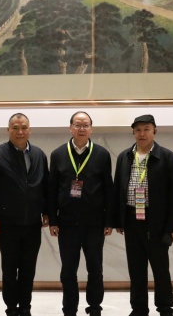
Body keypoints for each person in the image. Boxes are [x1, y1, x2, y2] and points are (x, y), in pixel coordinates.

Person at [0, 113, 50, 316]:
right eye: (15, 128)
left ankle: (25, 307)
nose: (20, 132)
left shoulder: (39, 155)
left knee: (28, 268)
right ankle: (11, 307)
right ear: (8, 130)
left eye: (24, 127)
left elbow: (46, 186)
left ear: (30, 130)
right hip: (7, 223)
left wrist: (47, 212)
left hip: (33, 223)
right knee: (9, 268)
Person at [48, 111, 114, 316]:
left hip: (95, 223)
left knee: (95, 269)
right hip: (67, 224)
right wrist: (53, 220)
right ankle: (69, 309)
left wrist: (109, 221)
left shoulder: (102, 154)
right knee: (68, 270)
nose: (81, 129)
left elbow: (109, 189)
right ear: (70, 128)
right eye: (77, 125)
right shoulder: (58, 154)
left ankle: (94, 307)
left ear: (91, 129)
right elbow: (52, 190)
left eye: (85, 125)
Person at [114, 114, 173, 316]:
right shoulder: (124, 156)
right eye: (138, 130)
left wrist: (172, 225)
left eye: (146, 129)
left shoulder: (167, 157)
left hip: (157, 220)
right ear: (133, 132)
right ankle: (139, 308)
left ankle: (165, 308)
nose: (142, 133)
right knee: (136, 268)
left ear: (154, 131)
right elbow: (118, 189)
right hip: (132, 218)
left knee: (160, 269)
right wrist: (119, 220)